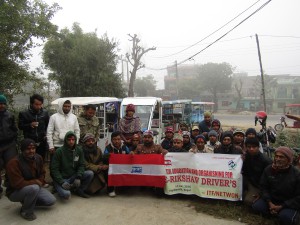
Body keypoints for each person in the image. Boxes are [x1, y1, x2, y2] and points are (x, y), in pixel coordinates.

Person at [5, 139, 56, 221]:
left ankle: (28, 201)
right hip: (15, 192)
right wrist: (36, 182)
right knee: (34, 188)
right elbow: (17, 184)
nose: (31, 151)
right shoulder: (14, 163)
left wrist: (40, 181)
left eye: (33, 148)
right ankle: (25, 211)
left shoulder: (38, 158)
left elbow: (42, 173)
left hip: (34, 187)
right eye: (28, 149)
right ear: (22, 150)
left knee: (51, 201)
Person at [252, 147, 300, 225]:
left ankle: (281, 213)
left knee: (286, 217)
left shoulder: (296, 174)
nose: (278, 159)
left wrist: (282, 206)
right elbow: (263, 187)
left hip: (288, 203)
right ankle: (274, 211)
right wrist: (269, 202)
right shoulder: (269, 169)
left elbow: (298, 197)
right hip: (272, 201)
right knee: (256, 206)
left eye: (281, 157)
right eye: (276, 156)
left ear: (288, 159)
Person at [50, 131, 93, 199]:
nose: (71, 141)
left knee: (90, 173)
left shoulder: (79, 150)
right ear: (65, 140)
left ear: (75, 140)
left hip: (73, 176)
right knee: (66, 195)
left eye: (73, 139)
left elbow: (81, 165)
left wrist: (78, 177)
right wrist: (61, 182)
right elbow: (54, 169)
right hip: (62, 178)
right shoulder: (59, 151)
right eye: (69, 139)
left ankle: (80, 190)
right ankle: (57, 186)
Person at [18, 94, 49, 160]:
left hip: (42, 142)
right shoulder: (24, 113)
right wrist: (30, 125)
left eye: (40, 104)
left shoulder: (45, 113)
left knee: (40, 160)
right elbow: (20, 126)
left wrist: (46, 135)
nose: (39, 107)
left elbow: (48, 126)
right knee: (29, 161)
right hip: (29, 143)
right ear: (31, 104)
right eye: (36, 104)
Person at [242, 137, 272, 206]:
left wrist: (261, 192)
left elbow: (268, 180)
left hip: (258, 185)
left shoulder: (266, 161)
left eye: (254, 147)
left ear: (258, 147)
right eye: (249, 147)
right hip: (249, 181)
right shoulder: (246, 157)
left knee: (248, 201)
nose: (251, 149)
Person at [103, 131, 131, 197]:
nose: (117, 141)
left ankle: (122, 186)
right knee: (107, 171)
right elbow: (104, 158)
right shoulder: (108, 148)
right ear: (111, 140)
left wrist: (131, 153)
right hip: (111, 167)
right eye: (115, 139)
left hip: (123, 167)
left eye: (118, 139)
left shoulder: (124, 147)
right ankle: (110, 189)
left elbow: (129, 155)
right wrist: (108, 156)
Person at [0, 94, 18, 196]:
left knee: (11, 166)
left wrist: (14, 141)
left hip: (9, 145)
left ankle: (10, 187)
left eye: (3, 104)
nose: (1, 106)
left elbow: (14, 129)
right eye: (0, 104)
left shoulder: (9, 115)